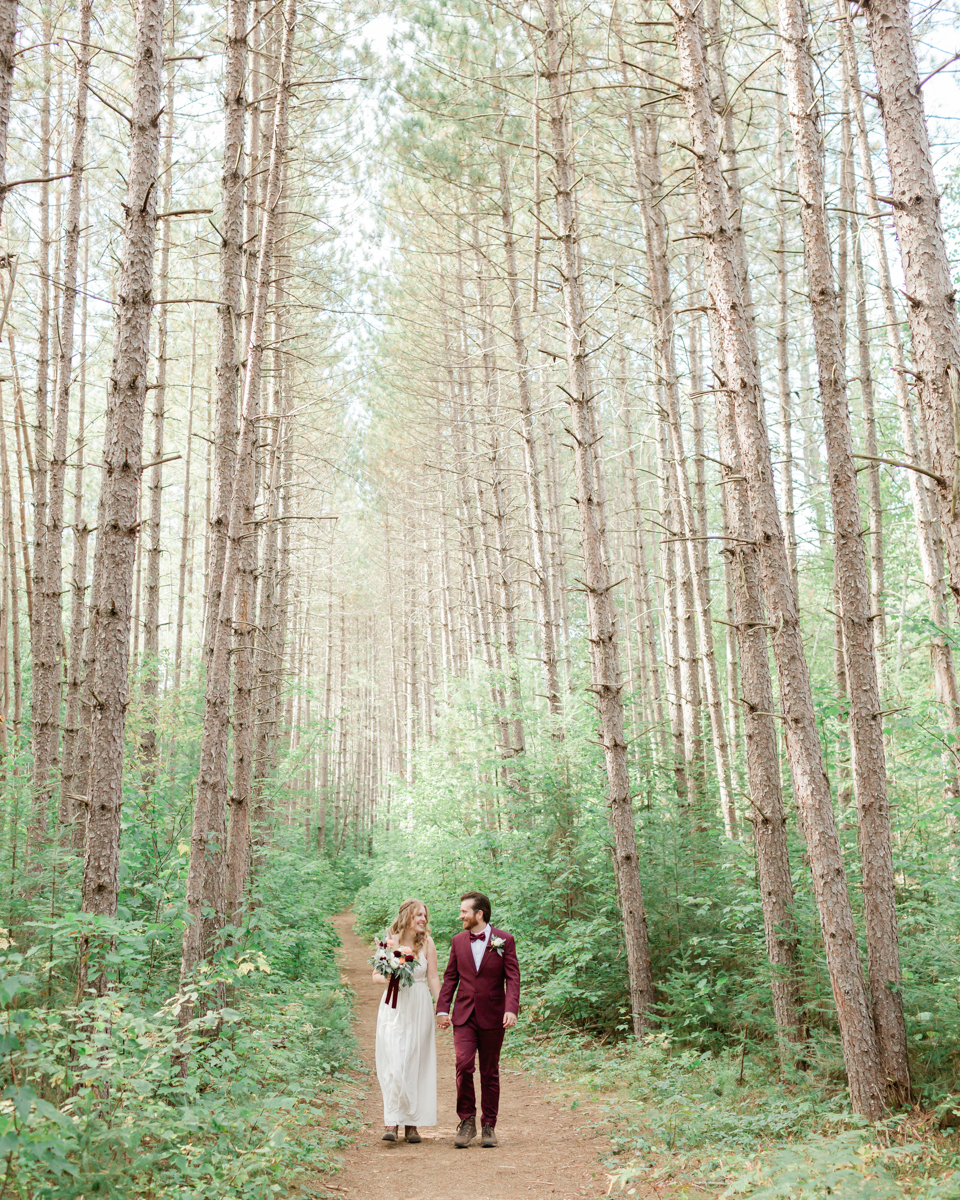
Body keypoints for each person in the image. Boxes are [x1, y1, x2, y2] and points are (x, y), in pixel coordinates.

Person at [435, 892, 521, 1149]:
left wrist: (511, 1008)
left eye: (464, 911)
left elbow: (512, 977)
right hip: (463, 1014)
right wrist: (442, 1009)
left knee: (489, 1070)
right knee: (463, 1065)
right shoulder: (458, 941)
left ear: (479, 914)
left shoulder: (504, 940)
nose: (460, 915)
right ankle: (467, 1121)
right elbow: (450, 977)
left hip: (494, 1014)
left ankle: (488, 1125)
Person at [373, 898, 441, 1143]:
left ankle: (412, 1123)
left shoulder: (428, 943)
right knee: (394, 1061)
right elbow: (375, 976)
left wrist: (442, 1008)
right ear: (406, 917)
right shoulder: (390, 941)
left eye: (424, 915)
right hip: (394, 1005)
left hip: (419, 1005)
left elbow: (432, 977)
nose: (423, 919)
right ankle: (391, 1120)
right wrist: (391, 971)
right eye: (418, 915)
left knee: (414, 1060)